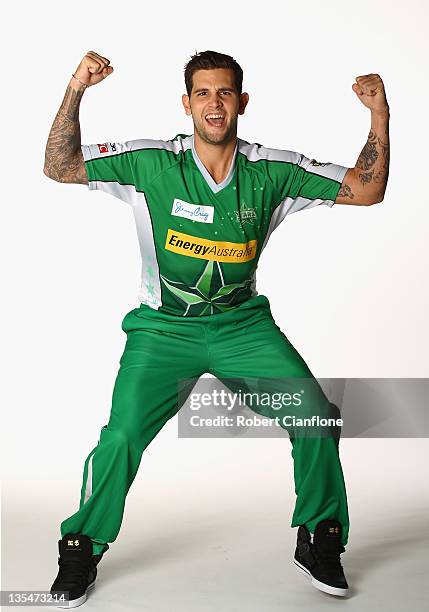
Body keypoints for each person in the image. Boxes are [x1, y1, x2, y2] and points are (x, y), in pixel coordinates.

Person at [44, 49, 390, 607]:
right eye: (202, 93)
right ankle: (81, 542)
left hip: (242, 329)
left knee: (316, 417)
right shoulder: (151, 163)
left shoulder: (272, 170)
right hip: (163, 331)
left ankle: (319, 536)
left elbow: (367, 189)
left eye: (225, 92)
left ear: (242, 102)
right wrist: (77, 86)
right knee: (122, 435)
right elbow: (59, 166)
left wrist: (379, 114)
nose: (214, 103)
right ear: (186, 103)